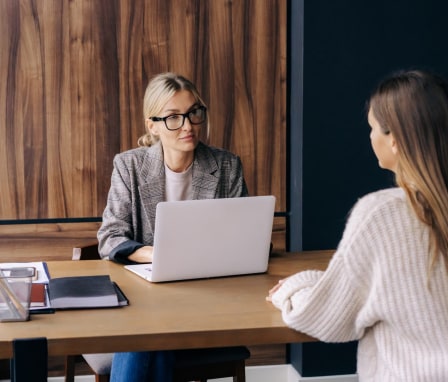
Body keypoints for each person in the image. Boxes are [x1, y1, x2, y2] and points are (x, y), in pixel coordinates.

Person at [267, 70, 448, 381]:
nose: (370, 137)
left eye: (373, 128)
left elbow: (327, 317)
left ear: (396, 140)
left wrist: (294, 288)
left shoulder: (381, 215)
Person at [98, 72, 248, 381]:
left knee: (147, 332)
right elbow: (110, 238)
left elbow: (245, 237)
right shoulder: (130, 167)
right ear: (151, 125)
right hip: (146, 297)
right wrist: (157, 254)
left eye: (194, 113)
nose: (188, 126)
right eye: (173, 117)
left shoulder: (226, 165)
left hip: (209, 299)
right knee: (152, 330)